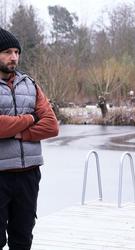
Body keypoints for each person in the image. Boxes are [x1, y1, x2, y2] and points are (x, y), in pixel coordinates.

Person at [0, 28, 59, 250]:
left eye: (16, 52)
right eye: (7, 52)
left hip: (28, 175)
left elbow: (51, 126)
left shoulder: (30, 84)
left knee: (22, 239)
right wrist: (31, 118)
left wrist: (19, 132)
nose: (14, 57)